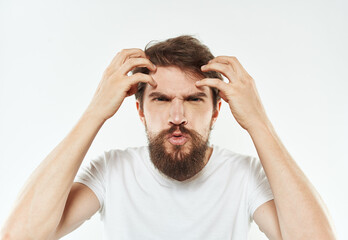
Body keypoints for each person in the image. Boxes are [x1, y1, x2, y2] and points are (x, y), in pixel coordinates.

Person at [0, 35, 336, 240]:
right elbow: (19, 236)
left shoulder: (243, 177)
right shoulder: (113, 171)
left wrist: (259, 122)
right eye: (161, 100)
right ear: (140, 110)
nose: (177, 118)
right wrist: (95, 112)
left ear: (217, 111)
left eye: (193, 99)